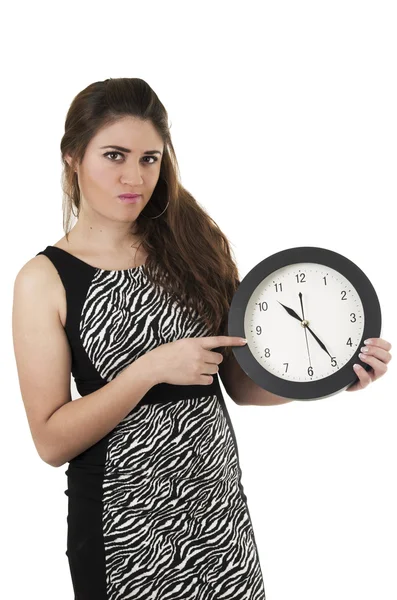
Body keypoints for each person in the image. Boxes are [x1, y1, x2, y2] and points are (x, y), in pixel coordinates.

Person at [12, 78, 268, 599]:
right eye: (114, 156)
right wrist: (150, 369)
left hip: (218, 515)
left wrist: (330, 377)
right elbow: (50, 441)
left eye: (150, 158)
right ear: (72, 159)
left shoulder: (197, 247)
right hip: (123, 526)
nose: (135, 176)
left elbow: (241, 383)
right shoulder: (44, 279)